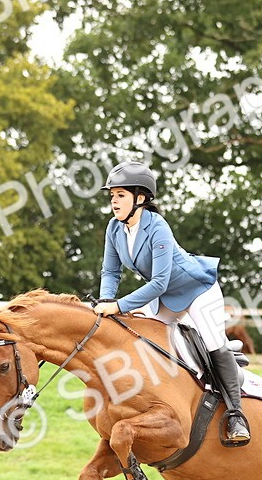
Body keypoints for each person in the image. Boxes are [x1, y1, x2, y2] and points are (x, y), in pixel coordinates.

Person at [94, 161, 250, 446]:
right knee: (146, 342)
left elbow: (159, 283)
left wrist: (119, 306)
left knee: (214, 343)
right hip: (164, 298)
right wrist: (105, 300)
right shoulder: (114, 229)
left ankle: (236, 415)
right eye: (112, 196)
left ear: (140, 198)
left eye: (120, 195)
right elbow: (110, 272)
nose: (114, 201)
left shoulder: (158, 227)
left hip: (197, 291)